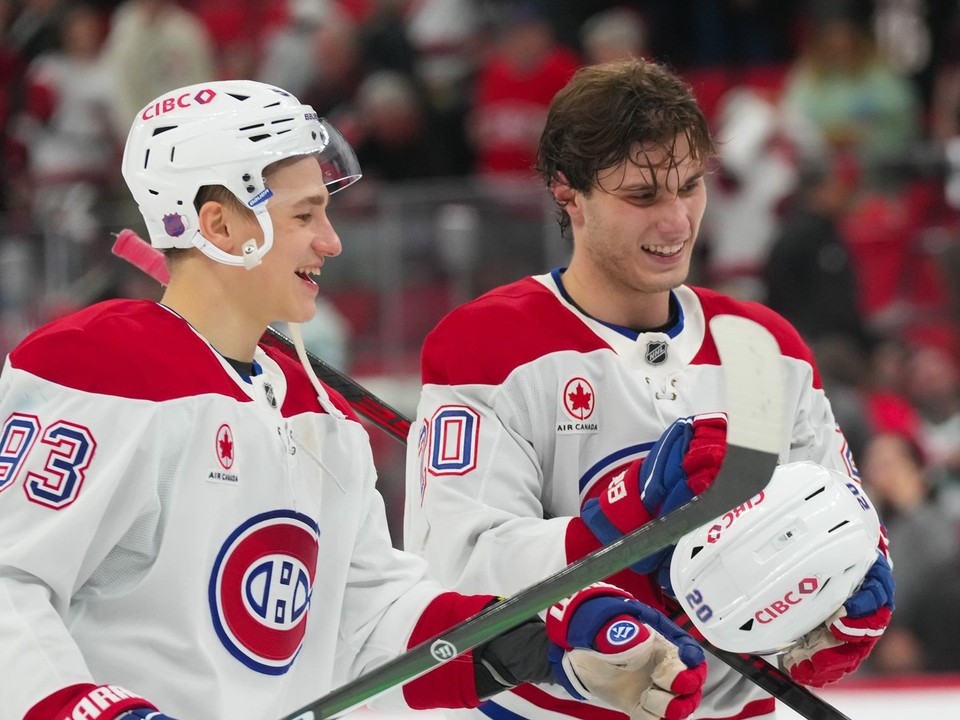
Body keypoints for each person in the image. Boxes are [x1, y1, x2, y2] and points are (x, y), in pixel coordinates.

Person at [0, 78, 710, 720]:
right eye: (305, 214)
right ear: (219, 227)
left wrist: (545, 637)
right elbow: (10, 583)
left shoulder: (317, 416)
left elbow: (369, 621)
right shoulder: (99, 366)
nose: (332, 241)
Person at [404, 58, 894, 720]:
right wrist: (611, 524)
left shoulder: (758, 349)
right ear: (567, 191)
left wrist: (843, 606)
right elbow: (455, 569)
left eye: (690, 187)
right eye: (642, 196)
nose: (677, 221)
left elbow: (841, 523)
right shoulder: (490, 347)